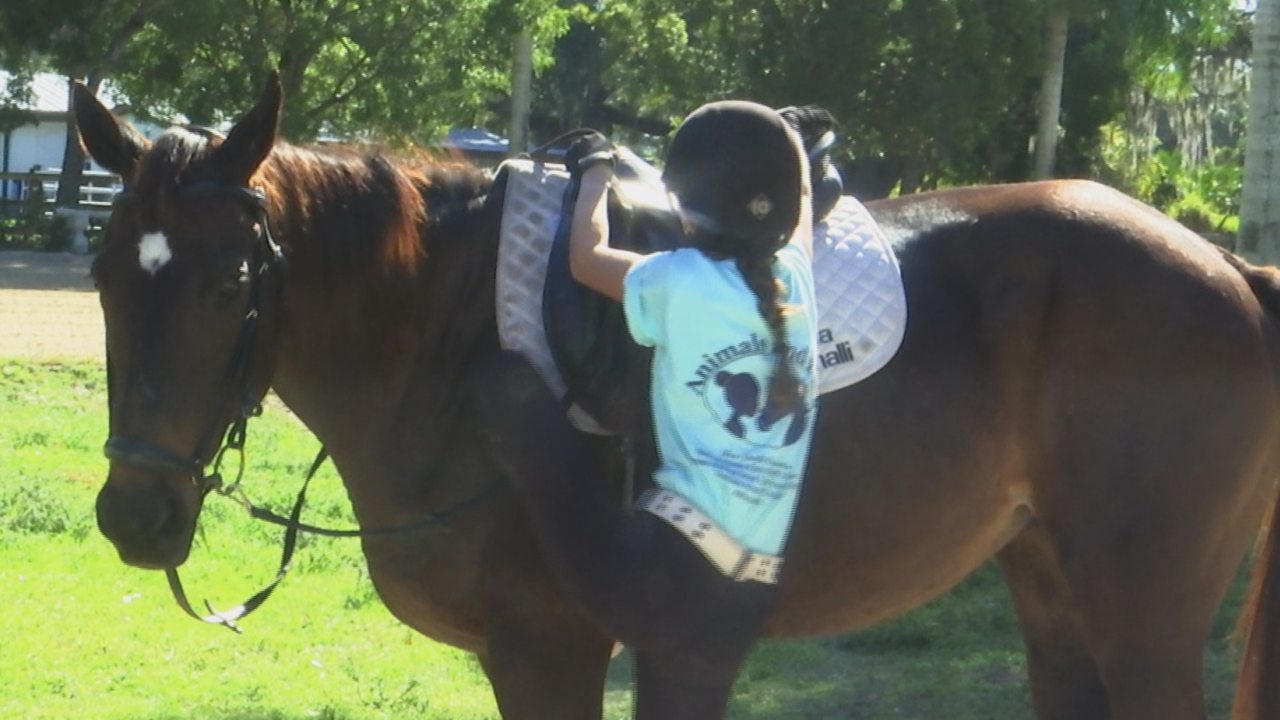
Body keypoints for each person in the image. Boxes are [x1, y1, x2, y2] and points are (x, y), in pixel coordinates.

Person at [473, 100, 820, 719]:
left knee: (505, 384)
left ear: (685, 208)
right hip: (746, 598)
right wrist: (793, 144)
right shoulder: (796, 280)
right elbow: (801, 227)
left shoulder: (676, 280)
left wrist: (596, 170)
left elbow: (586, 255)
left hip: (651, 581)